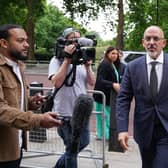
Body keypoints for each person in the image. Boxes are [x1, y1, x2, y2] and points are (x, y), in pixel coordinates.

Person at [0, 24, 62, 168]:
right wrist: (38, 120)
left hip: (16, 147)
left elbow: (14, 101)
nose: (27, 45)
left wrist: (31, 102)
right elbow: (1, 110)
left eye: (26, 40)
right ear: (4, 43)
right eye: (20, 41)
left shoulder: (19, 66)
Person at [116, 25, 168, 168]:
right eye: (148, 39)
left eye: (156, 38)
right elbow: (123, 99)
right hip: (144, 130)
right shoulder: (132, 67)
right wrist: (122, 129)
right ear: (143, 43)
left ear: (163, 42)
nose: (152, 42)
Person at [48, 27, 95, 168]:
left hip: (81, 113)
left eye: (78, 40)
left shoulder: (81, 61)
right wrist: (67, 60)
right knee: (72, 149)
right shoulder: (56, 60)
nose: (76, 44)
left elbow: (92, 82)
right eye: (73, 40)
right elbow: (56, 82)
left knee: (83, 143)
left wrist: (88, 66)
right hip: (64, 114)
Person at [93, 46, 122, 140]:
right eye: (112, 53)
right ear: (107, 54)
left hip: (109, 96)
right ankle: (105, 136)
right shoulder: (105, 64)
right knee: (104, 117)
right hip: (102, 97)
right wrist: (113, 84)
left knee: (106, 117)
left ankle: (103, 135)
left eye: (116, 54)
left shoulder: (112, 64)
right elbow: (100, 80)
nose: (115, 55)